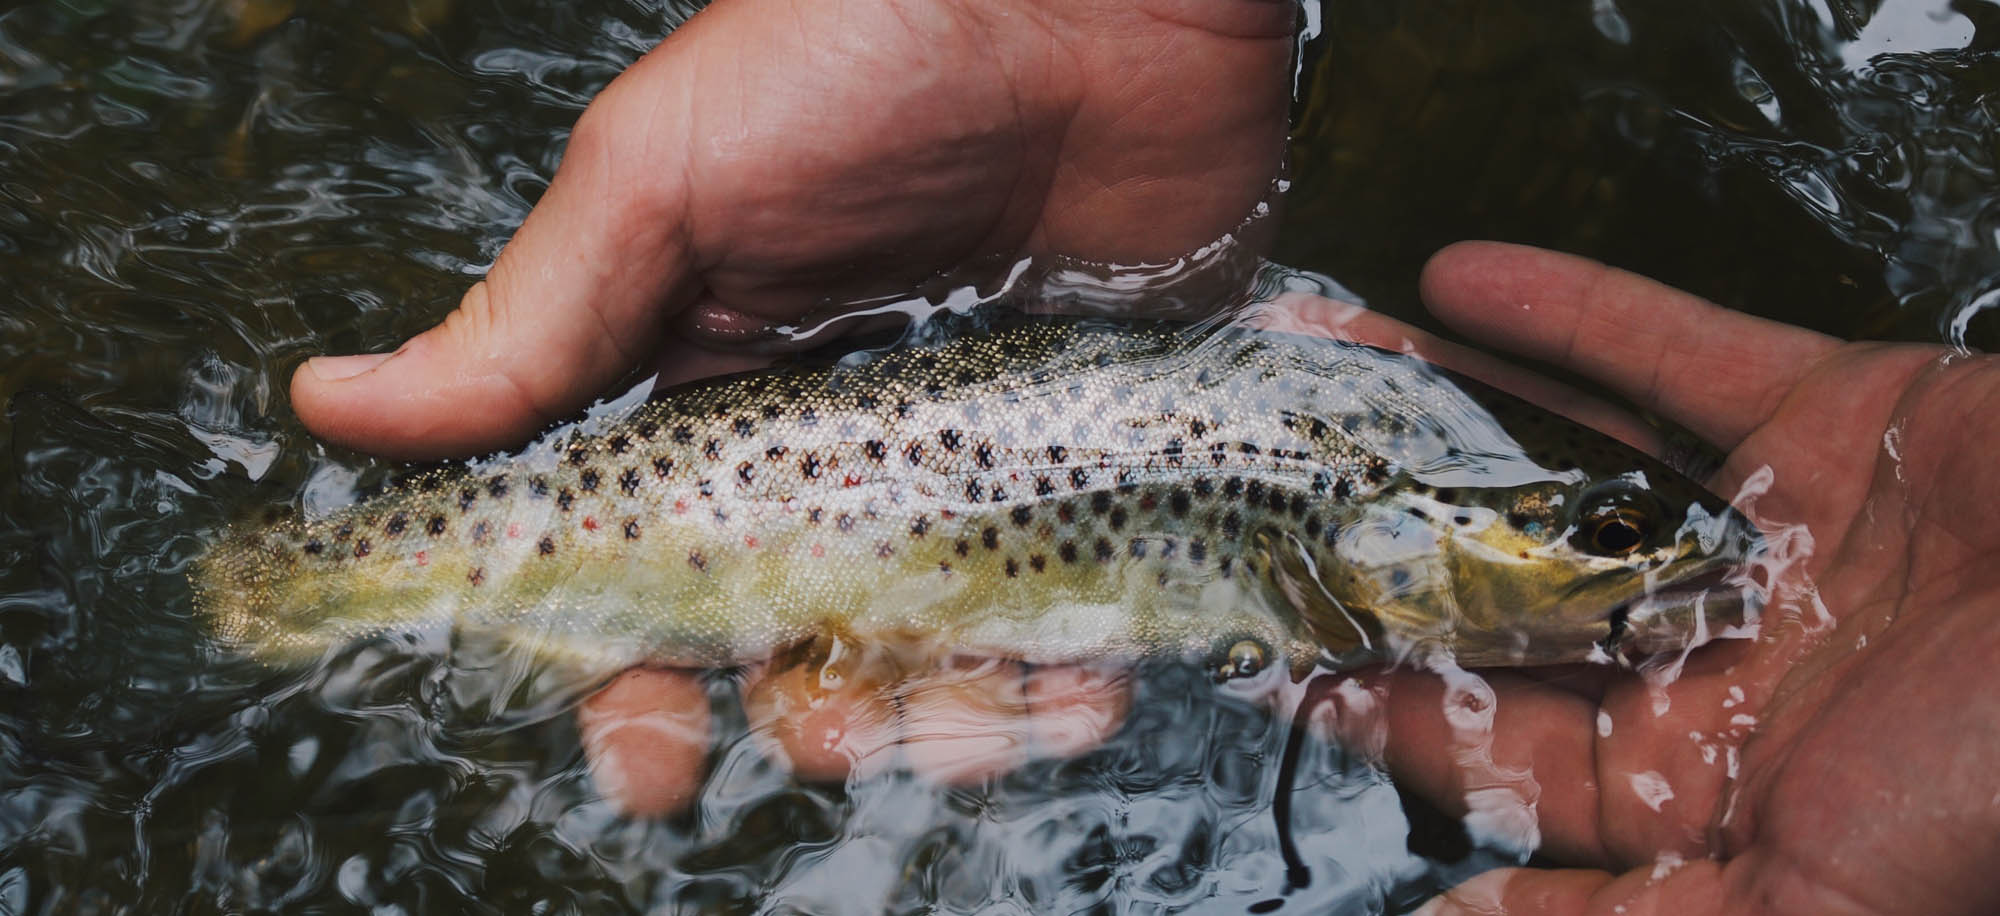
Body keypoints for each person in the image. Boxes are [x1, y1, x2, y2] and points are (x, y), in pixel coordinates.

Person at [286, 2, 2000, 913]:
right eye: (1606, 534)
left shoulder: (1350, 491)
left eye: (1619, 541)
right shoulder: (1358, 494)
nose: (1669, 560)